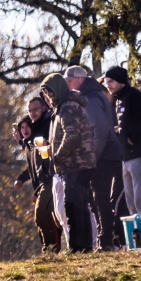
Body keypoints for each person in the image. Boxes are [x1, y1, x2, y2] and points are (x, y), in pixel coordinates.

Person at [65, 66, 121, 251]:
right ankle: (105, 240)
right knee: (97, 198)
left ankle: (106, 241)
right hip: (104, 153)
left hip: (103, 155)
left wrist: (92, 157)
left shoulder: (90, 98)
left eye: (69, 80)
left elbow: (101, 130)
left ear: (80, 79)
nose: (67, 84)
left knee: (100, 197)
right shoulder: (92, 95)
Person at [41, 73, 97, 253]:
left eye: (50, 93)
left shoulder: (67, 107)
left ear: (57, 90)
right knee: (77, 204)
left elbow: (71, 135)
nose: (49, 97)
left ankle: (78, 246)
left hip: (76, 163)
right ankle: (83, 245)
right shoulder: (63, 107)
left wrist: (56, 156)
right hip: (76, 163)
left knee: (73, 205)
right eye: (46, 95)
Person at [104, 66, 141, 221]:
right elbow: (129, 121)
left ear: (121, 81)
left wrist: (132, 139)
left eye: (111, 81)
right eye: (107, 82)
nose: (108, 85)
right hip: (126, 157)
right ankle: (138, 239)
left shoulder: (134, 96)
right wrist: (120, 131)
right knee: (131, 202)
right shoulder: (118, 99)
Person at [15, 115, 60, 253]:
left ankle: (51, 249)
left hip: (48, 183)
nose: (25, 130)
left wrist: (38, 191)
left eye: (27, 126)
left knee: (41, 215)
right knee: (45, 219)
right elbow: (31, 168)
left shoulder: (38, 142)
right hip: (41, 187)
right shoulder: (28, 146)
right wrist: (21, 179)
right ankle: (50, 250)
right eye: (21, 127)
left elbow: (46, 164)